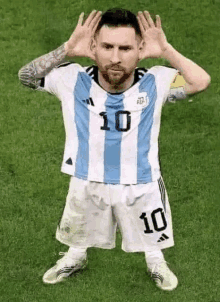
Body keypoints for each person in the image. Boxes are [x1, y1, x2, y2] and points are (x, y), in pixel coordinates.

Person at [18, 8, 210, 291]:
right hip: (86, 176)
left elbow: (200, 81)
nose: (116, 57)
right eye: (107, 46)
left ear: (140, 49)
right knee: (79, 229)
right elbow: (26, 77)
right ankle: (75, 257)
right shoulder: (71, 78)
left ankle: (155, 261)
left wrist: (166, 50)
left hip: (141, 180)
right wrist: (67, 49)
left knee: (151, 237)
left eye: (125, 48)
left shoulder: (156, 81)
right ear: (94, 46)